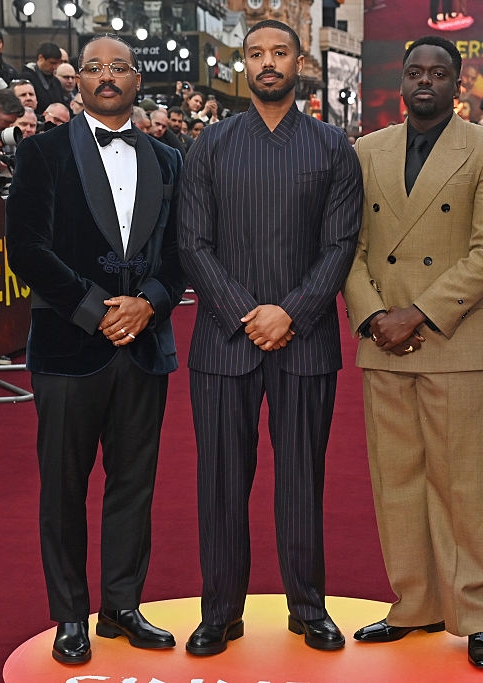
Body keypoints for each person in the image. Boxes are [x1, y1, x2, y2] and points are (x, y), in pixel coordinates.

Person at [178, 19, 362, 657]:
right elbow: (192, 243)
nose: (267, 63)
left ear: (299, 62)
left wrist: (291, 312)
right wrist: (244, 312)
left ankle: (308, 608)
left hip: (305, 340)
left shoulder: (333, 147)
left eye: (279, 52)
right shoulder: (210, 144)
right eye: (255, 53)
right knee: (221, 483)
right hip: (221, 342)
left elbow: (341, 244)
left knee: (303, 480)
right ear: (244, 64)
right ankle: (220, 612)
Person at [5, 34, 186, 666]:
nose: (107, 76)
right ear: (76, 80)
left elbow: (181, 251)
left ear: (138, 79)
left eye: (119, 67)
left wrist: (150, 303)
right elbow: (26, 247)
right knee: (63, 487)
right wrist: (94, 311)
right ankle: (69, 615)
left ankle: (122, 606)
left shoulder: (169, 159)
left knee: (134, 485)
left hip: (145, 346)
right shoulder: (42, 152)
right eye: (93, 67)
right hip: (67, 347)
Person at [343, 35, 483, 671]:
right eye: (415, 72)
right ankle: (413, 604)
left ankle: (478, 615)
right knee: (396, 482)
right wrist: (372, 317)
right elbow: (349, 246)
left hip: (452, 339)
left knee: (465, 484)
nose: (425, 81)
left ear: (457, 82)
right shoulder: (367, 151)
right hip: (383, 345)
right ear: (401, 82)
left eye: (438, 73)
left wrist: (415, 314)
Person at [20, 42, 66, 115]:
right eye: (52, 63)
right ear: (41, 58)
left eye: (58, 63)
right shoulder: (26, 78)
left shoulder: (56, 82)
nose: (55, 67)